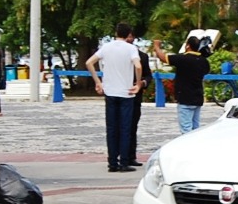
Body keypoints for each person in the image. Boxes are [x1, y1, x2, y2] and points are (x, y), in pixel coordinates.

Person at [85, 22, 141, 172]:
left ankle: (112, 163)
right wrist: (138, 83)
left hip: (110, 91)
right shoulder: (131, 49)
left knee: (111, 128)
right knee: (125, 128)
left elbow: (89, 62)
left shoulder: (106, 47)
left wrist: (98, 82)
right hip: (126, 93)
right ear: (128, 34)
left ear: (116, 33)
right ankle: (123, 162)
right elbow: (138, 66)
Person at [153, 35, 210, 133]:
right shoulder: (204, 61)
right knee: (195, 129)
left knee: (186, 130)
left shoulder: (182, 58)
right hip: (197, 98)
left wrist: (157, 46)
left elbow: (163, 58)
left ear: (188, 46)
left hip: (185, 98)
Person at [125, 38, 153, 168]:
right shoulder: (117, 55)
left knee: (132, 127)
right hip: (119, 94)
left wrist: (142, 83)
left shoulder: (142, 56)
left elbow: (148, 76)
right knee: (117, 127)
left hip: (135, 97)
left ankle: (131, 156)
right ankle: (117, 156)